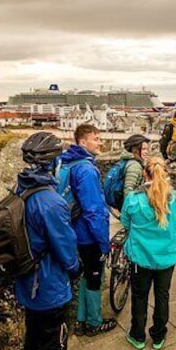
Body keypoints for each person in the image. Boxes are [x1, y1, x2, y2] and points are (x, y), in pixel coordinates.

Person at [15, 132, 82, 350]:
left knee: (33, 335)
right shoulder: (51, 202)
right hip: (50, 284)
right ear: (51, 162)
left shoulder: (20, 190)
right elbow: (66, 249)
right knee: (54, 343)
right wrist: (76, 267)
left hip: (27, 280)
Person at [122, 157, 176, 350]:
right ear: (166, 173)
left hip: (140, 258)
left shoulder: (133, 199)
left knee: (139, 296)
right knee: (162, 295)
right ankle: (159, 335)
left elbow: (126, 223)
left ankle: (138, 335)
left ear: (145, 173)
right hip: (166, 257)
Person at [57, 124, 117, 337]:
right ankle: (93, 322)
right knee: (94, 277)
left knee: (84, 275)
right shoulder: (87, 169)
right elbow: (94, 212)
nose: (101, 142)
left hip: (72, 232)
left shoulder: (64, 162)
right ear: (83, 142)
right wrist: (103, 243)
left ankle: (81, 320)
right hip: (87, 235)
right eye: (96, 138)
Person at [120, 134, 150, 201]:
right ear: (135, 150)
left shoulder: (130, 162)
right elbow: (128, 192)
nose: (146, 152)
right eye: (143, 149)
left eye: (147, 149)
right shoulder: (134, 166)